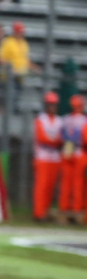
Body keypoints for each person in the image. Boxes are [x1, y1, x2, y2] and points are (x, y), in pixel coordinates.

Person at [34, 91, 64, 220]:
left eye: (54, 104)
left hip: (55, 158)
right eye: (50, 104)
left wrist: (53, 140)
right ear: (45, 105)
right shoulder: (41, 119)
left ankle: (46, 212)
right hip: (42, 157)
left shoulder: (59, 120)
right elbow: (42, 138)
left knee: (51, 187)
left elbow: (61, 139)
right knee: (41, 186)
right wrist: (54, 140)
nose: (52, 107)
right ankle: (39, 213)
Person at [61, 94, 87, 221]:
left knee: (67, 183)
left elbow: (62, 136)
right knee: (77, 183)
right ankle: (76, 209)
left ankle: (65, 208)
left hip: (67, 150)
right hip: (79, 152)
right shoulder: (83, 120)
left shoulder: (65, 119)